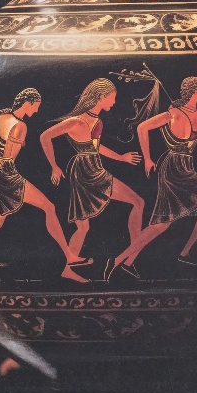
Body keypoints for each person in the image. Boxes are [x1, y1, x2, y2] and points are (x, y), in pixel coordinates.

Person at [108, 77, 197, 278]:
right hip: (177, 170)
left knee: (168, 221)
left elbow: (142, 128)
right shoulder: (191, 115)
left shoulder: (178, 114)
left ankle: (129, 261)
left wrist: (148, 159)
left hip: (176, 168)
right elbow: (142, 127)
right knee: (173, 218)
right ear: (193, 92)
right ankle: (120, 260)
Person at [0, 88, 92, 284]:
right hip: (8, 174)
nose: (36, 111)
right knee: (49, 206)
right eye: (36, 106)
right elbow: (9, 156)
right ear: (28, 103)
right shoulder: (20, 125)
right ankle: (69, 255)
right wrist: (14, 147)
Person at [40, 78, 143, 263]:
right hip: (88, 172)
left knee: (83, 227)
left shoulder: (96, 121)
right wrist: (54, 166)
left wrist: (121, 157)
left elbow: (95, 147)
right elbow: (45, 136)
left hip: (89, 169)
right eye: (112, 98)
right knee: (138, 202)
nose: (114, 102)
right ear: (101, 97)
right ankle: (129, 260)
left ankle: (68, 269)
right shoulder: (77, 121)